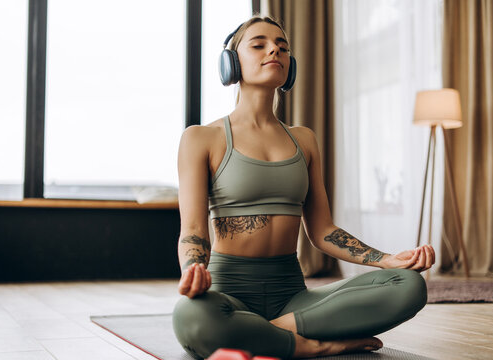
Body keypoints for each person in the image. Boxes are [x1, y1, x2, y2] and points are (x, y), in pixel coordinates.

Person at [172, 15, 435, 360]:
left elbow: (323, 231)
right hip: (228, 293)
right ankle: (315, 344)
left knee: (409, 286)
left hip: (293, 297)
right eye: (259, 44)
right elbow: (193, 231)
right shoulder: (201, 138)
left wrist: (387, 260)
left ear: (290, 66)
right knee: (190, 317)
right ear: (232, 64)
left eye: (282, 47)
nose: (274, 52)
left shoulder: (304, 140)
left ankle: (259, 333)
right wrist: (193, 270)